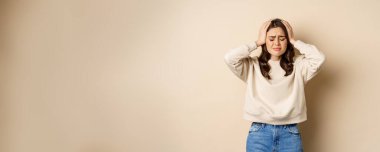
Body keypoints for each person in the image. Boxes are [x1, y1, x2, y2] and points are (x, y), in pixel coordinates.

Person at [224, 18, 326, 152]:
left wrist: (295, 41)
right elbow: (229, 58)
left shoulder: (299, 65)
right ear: (264, 40)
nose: (276, 43)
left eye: (282, 38)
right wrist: (257, 42)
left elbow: (319, 58)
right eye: (271, 38)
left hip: (289, 133)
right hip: (259, 133)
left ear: (287, 40)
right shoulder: (252, 66)